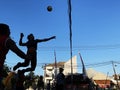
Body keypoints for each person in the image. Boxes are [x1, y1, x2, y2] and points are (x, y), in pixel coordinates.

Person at [0, 23, 27, 89]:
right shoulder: (7, 40)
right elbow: (17, 51)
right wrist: (27, 57)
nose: (10, 31)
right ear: (5, 31)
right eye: (9, 29)